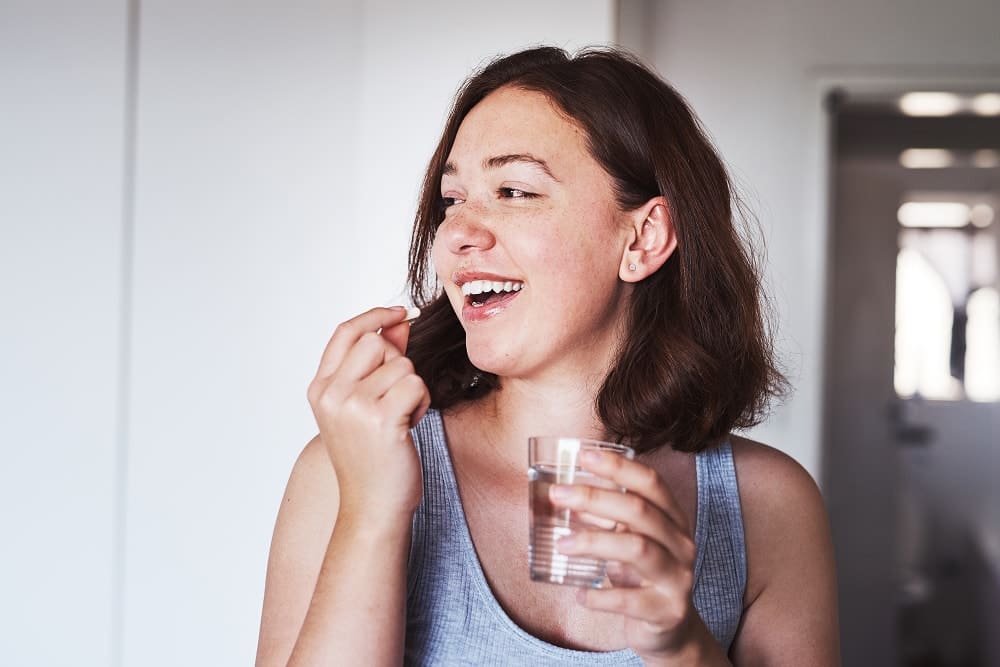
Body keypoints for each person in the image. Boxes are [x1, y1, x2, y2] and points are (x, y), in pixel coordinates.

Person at [255, 46, 840, 666]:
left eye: (513, 191)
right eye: (452, 201)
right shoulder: (344, 473)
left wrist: (678, 644)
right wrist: (372, 513)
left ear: (643, 239)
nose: (456, 232)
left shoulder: (768, 507)